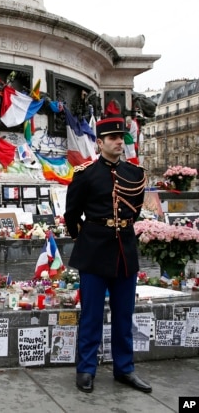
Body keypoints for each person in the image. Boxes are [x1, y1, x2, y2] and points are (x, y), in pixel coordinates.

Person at [64, 111, 151, 394]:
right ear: (99, 143)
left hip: (125, 250)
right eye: (112, 138)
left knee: (124, 315)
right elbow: (72, 214)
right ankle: (86, 369)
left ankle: (124, 369)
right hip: (94, 250)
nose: (118, 143)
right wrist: (86, 239)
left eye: (121, 138)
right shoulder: (85, 174)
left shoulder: (134, 174)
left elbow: (134, 211)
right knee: (91, 315)